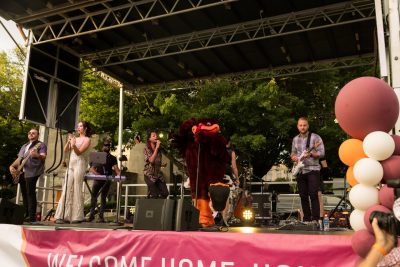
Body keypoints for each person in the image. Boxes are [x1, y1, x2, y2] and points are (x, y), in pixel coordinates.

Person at [55, 121, 92, 224]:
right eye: (78, 126)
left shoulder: (87, 140)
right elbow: (66, 150)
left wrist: (74, 144)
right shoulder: (75, 138)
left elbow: (79, 152)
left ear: (85, 128)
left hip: (80, 163)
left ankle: (77, 216)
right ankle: (62, 215)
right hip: (71, 164)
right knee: (66, 187)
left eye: (80, 126)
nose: (78, 128)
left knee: (77, 187)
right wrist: (69, 140)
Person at [9, 128, 47, 224]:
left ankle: (32, 218)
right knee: (25, 194)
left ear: (38, 135)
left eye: (33, 133)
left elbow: (43, 157)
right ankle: (26, 214)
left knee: (30, 193)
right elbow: (19, 159)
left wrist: (37, 155)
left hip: (33, 171)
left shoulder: (41, 145)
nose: (31, 134)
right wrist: (12, 166)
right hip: (22, 172)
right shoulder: (24, 146)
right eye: (29, 133)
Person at [291, 117, 325, 222]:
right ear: (297, 126)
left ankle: (315, 220)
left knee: (313, 194)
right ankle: (306, 219)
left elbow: (321, 153)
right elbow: (293, 153)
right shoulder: (295, 139)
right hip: (300, 170)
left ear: (308, 126)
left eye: (304, 125)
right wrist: (294, 157)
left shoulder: (315, 137)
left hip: (313, 170)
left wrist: (311, 154)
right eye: (300, 125)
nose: (302, 127)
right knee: (303, 196)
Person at [87, 141, 120, 223]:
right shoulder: (97, 156)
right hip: (97, 179)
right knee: (93, 197)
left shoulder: (112, 158)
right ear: (102, 147)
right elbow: (91, 168)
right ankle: (91, 215)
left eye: (108, 145)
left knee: (103, 198)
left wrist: (119, 175)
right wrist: (96, 174)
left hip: (106, 180)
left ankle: (101, 217)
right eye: (105, 145)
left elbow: (116, 169)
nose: (107, 147)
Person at [143, 130, 169, 199]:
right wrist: (156, 148)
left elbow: (157, 162)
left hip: (158, 175)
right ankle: (151, 202)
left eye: (156, 135)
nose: (156, 137)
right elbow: (151, 160)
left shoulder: (159, 150)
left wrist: (162, 165)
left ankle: (159, 206)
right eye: (153, 136)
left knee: (165, 193)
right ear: (149, 139)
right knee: (155, 195)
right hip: (149, 175)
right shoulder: (146, 149)